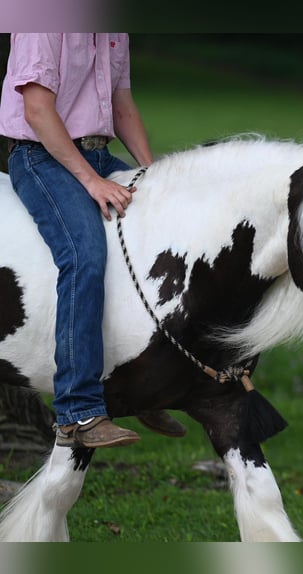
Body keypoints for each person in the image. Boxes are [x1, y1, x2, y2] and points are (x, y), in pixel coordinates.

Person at [0, 33, 186, 448]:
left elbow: (122, 107)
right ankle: (76, 413)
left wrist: (152, 176)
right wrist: (92, 181)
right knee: (84, 257)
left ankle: (139, 384)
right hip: (41, 157)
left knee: (165, 239)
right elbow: (36, 110)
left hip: (98, 154)